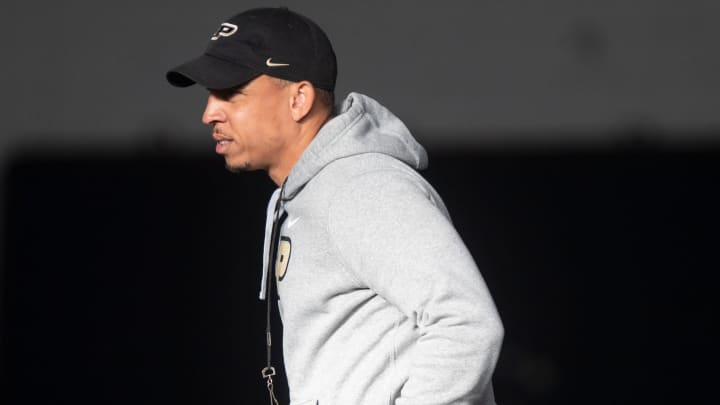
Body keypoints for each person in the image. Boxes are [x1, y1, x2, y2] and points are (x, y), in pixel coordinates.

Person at [166, 7, 503, 405]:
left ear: (299, 100)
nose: (209, 113)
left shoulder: (363, 187)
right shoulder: (300, 196)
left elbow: (467, 323)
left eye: (231, 93)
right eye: (209, 95)